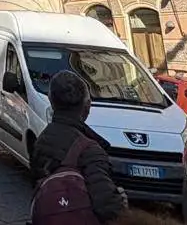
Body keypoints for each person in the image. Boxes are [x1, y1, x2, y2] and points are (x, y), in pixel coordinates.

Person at [30, 71, 127, 223]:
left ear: (51, 101)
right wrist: (120, 200)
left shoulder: (41, 140)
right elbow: (107, 207)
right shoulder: (90, 150)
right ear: (86, 106)